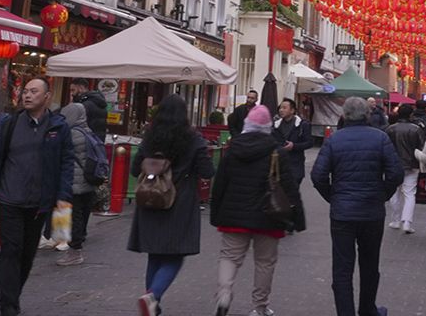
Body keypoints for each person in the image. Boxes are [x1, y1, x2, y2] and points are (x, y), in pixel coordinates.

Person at [0, 78, 74, 316]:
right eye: (25, 91)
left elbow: (67, 164)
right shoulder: (10, 124)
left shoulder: (59, 128)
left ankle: (12, 295)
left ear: (47, 97)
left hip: (39, 202)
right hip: (10, 198)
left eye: (33, 92)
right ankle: (8, 305)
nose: (27, 96)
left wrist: (63, 195)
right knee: (10, 250)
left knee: (27, 254)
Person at [312, 95, 403, 316]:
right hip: (371, 212)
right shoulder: (380, 138)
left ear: (343, 115)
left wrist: (334, 197)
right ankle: (367, 309)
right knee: (370, 265)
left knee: (342, 269)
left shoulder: (334, 140)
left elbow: (318, 175)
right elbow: (396, 173)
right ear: (368, 115)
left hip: (343, 213)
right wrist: (382, 194)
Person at [129, 94, 213, 316]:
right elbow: (207, 171)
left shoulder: (150, 137)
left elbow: (135, 169)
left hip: (150, 199)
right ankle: (152, 296)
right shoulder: (193, 139)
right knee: (175, 255)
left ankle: (152, 305)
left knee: (154, 254)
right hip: (180, 202)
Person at [210, 105, 296, 316]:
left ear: (247, 124)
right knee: (265, 262)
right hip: (269, 215)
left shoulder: (233, 149)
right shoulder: (276, 152)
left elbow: (220, 183)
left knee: (229, 256)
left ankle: (224, 294)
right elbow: (289, 188)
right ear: (268, 127)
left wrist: (216, 212)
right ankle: (259, 306)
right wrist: (296, 218)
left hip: (234, 214)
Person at [58, 102, 110, 265]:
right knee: (80, 214)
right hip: (88, 181)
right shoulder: (87, 131)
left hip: (75, 181)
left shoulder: (72, 133)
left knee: (73, 216)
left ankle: (73, 249)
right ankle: (70, 244)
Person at [270, 98, 313, 232]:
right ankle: (283, 218)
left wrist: (294, 146)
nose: (281, 110)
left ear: (292, 110)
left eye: (285, 107)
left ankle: (290, 220)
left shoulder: (302, 125)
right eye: (280, 108)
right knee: (280, 191)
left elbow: (309, 142)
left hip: (295, 163)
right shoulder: (275, 125)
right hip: (279, 164)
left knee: (292, 192)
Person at [383, 105, 426, 233]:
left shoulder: (390, 129)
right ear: (410, 115)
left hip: (393, 165)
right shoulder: (416, 129)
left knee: (394, 192)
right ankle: (407, 222)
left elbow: (385, 148)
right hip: (412, 164)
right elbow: (422, 147)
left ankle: (395, 220)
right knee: (409, 193)